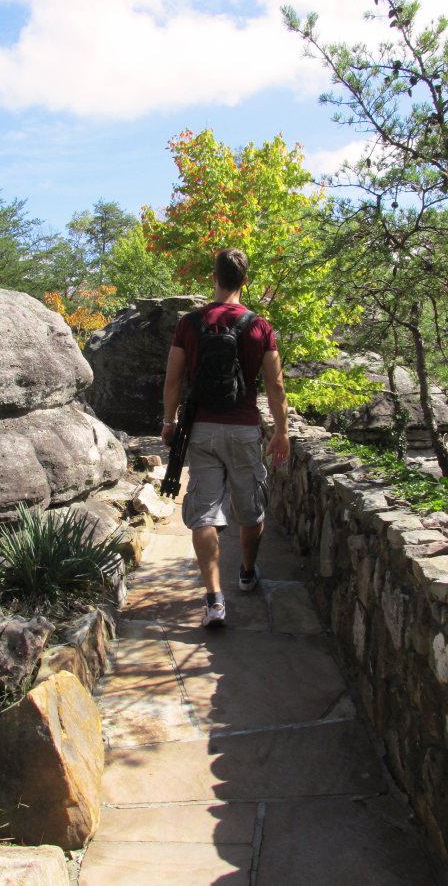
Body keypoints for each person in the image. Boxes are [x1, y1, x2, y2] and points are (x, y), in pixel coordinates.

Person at [161, 248, 290, 628]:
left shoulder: (190, 323)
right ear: (244, 281)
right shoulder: (259, 326)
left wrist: (169, 421)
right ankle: (247, 573)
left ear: (213, 279)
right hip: (245, 428)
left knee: (204, 514)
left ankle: (214, 601)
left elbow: (173, 380)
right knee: (251, 511)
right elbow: (276, 384)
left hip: (200, 428)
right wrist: (281, 431)